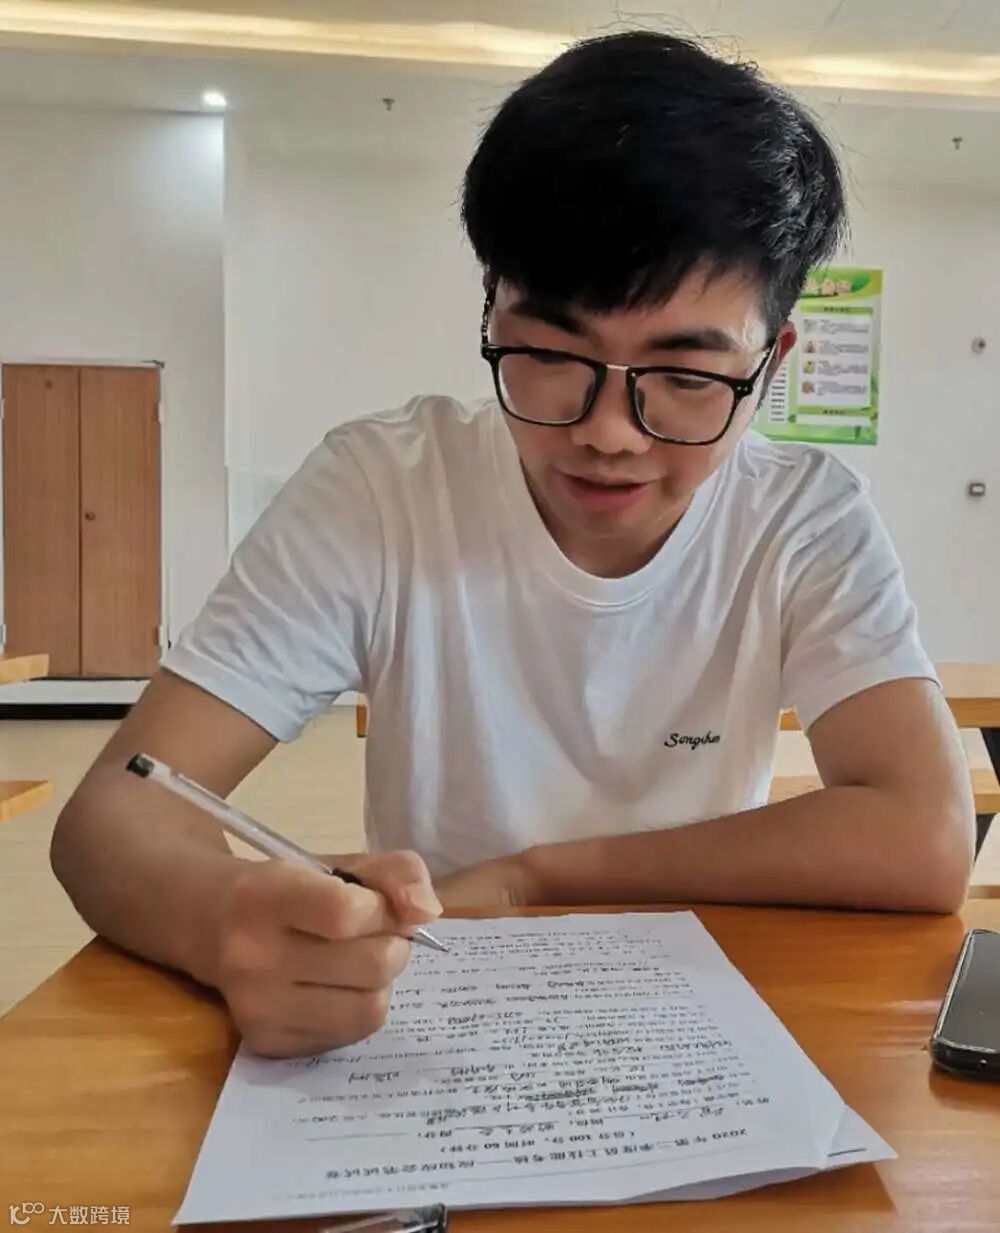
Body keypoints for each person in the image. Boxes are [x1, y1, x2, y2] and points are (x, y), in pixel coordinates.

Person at [52, 31, 974, 1058]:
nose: (609, 433)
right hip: (430, 1013)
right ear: (491, 308)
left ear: (771, 362)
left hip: (695, 1013)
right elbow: (112, 815)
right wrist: (224, 920)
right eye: (551, 353)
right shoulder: (382, 491)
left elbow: (924, 836)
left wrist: (535, 876)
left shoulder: (802, 517)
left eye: (684, 376)